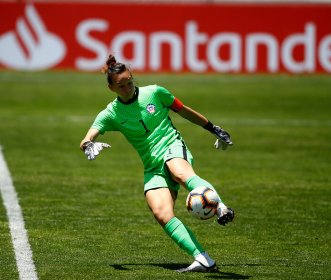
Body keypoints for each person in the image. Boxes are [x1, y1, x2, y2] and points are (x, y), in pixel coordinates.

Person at [79, 55, 235, 273]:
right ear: (111, 88)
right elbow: (87, 138)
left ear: (133, 78)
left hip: (172, 146)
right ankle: (203, 259)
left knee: (179, 171)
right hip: (152, 166)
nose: (127, 89)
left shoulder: (155, 92)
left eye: (129, 82)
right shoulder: (111, 113)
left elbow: (184, 110)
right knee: (161, 213)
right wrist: (88, 145)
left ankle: (220, 207)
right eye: (121, 86)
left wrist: (213, 128)